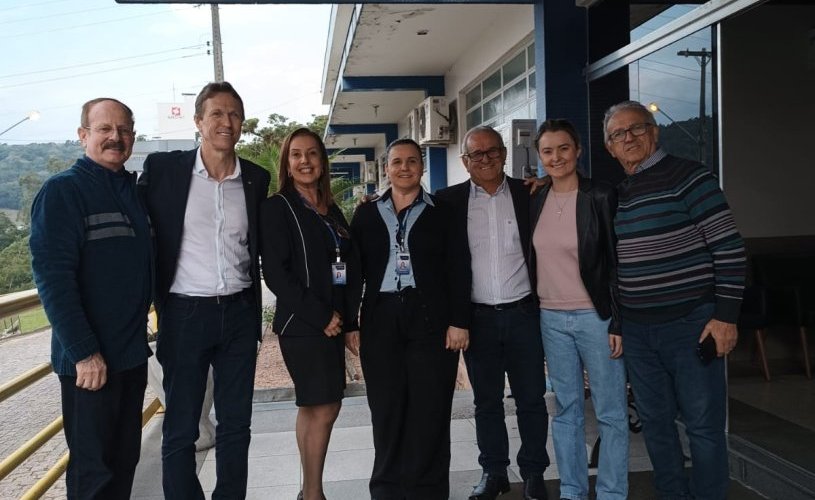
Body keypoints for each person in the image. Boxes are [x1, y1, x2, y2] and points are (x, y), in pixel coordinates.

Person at [604, 100, 745, 500]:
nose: (628, 138)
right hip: (638, 331)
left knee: (702, 426)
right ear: (610, 148)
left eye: (636, 128)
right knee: (655, 423)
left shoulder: (690, 177)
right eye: (618, 134)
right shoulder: (619, 193)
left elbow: (729, 248)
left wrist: (726, 317)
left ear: (654, 131)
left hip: (691, 325)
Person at [138, 81, 271, 500]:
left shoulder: (255, 178)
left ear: (242, 123)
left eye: (234, 114)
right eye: (216, 113)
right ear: (198, 121)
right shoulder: (164, 170)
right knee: (181, 426)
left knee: (236, 424)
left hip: (238, 313)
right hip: (184, 314)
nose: (226, 122)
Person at [30, 98, 151, 499]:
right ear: (83, 136)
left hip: (130, 359)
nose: (116, 137)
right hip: (91, 366)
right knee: (92, 478)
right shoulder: (63, 191)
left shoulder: (133, 193)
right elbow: (53, 280)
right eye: (104, 129)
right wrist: (84, 353)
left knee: (123, 466)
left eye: (124, 130)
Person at [346, 138, 470, 500]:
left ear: (422, 166)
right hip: (380, 316)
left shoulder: (443, 212)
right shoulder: (366, 214)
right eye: (397, 161)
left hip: (430, 317)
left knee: (430, 408)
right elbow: (353, 273)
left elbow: (459, 267)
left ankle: (427, 490)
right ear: (386, 168)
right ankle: (387, 488)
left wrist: (459, 320)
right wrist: (351, 323)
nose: (404, 168)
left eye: (412, 161)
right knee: (386, 408)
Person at [436, 126, 549, 500]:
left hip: (524, 316)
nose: (485, 159)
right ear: (465, 161)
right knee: (486, 403)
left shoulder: (528, 193)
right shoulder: (447, 202)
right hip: (478, 320)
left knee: (531, 399)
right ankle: (494, 471)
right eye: (477, 154)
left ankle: (533, 471)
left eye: (492, 151)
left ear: (504, 153)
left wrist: (548, 180)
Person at [260, 128, 360, 500]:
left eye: (313, 153)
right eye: (297, 154)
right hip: (303, 325)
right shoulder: (277, 208)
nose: (305, 161)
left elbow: (346, 264)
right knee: (324, 404)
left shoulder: (331, 209)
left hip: (332, 321)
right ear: (287, 164)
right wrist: (321, 316)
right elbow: (276, 273)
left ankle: (309, 491)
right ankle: (313, 493)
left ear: (322, 161)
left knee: (316, 406)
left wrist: (348, 320)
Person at [530, 119, 628, 500]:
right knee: (566, 409)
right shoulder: (536, 198)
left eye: (564, 148)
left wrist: (617, 320)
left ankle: (611, 493)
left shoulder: (600, 195)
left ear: (578, 150)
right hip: (551, 318)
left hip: (596, 317)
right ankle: (572, 491)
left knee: (610, 411)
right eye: (548, 151)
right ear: (540, 157)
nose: (556, 157)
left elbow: (616, 262)